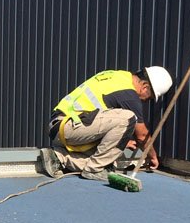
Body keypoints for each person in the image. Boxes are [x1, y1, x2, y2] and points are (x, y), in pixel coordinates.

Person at [35, 66, 173, 181]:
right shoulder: (130, 95)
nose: (145, 101)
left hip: (61, 127)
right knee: (128, 118)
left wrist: (120, 141)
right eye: (149, 97)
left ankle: (58, 158)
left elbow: (100, 119)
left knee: (110, 157)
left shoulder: (118, 76)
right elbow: (142, 135)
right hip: (69, 127)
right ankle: (94, 170)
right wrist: (153, 156)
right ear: (145, 87)